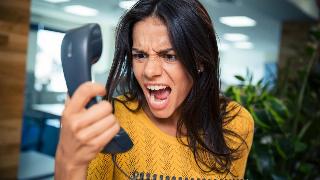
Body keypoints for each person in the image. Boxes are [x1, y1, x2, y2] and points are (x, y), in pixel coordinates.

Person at [54, 0, 254, 179]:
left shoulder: (236, 123)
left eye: (169, 56)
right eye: (140, 55)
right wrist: (69, 162)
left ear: (200, 61)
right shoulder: (110, 122)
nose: (149, 71)